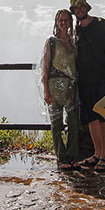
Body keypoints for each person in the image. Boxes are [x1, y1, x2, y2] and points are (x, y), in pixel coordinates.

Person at [70, 0, 105, 172]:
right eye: (76, 8)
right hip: (83, 80)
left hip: (100, 78)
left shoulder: (100, 23)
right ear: (74, 11)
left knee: (104, 117)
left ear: (87, 8)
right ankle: (97, 154)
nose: (80, 10)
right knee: (91, 117)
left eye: (82, 6)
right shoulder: (77, 29)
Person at [42, 9, 80, 170]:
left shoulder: (74, 42)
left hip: (71, 88)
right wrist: (46, 90)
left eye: (66, 20)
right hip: (54, 86)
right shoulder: (51, 41)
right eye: (60, 20)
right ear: (56, 22)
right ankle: (61, 157)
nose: (63, 23)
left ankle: (72, 156)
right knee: (56, 124)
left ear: (70, 22)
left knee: (73, 123)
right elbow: (45, 67)